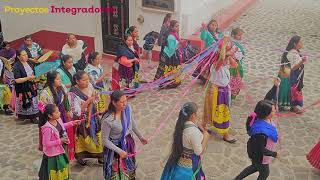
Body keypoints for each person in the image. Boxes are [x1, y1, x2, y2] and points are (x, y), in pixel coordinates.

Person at [102, 90, 147, 180]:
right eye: (122, 102)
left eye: (125, 101)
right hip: (114, 149)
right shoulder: (108, 120)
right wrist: (119, 151)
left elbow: (132, 123)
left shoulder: (127, 109)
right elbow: (105, 140)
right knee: (117, 171)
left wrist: (140, 137)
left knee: (129, 168)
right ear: (114, 103)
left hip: (127, 144)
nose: (125, 104)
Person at [201, 35, 238, 143]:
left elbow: (235, 65)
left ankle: (203, 125)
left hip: (224, 90)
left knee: (214, 109)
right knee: (220, 111)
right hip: (216, 91)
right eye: (227, 53)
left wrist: (229, 54)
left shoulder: (225, 63)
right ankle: (225, 134)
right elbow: (222, 58)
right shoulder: (216, 64)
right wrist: (225, 47)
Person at [161, 102, 209, 180]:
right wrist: (206, 137)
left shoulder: (180, 122)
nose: (201, 113)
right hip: (190, 163)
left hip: (179, 157)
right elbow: (198, 152)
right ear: (193, 115)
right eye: (199, 111)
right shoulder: (194, 132)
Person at [235, 100, 279, 180]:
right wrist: (274, 154)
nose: (275, 111)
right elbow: (261, 149)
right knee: (264, 174)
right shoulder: (260, 132)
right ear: (266, 113)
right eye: (273, 111)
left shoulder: (265, 119)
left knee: (254, 167)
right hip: (260, 157)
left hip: (258, 156)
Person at [68, 70, 103, 165]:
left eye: (88, 79)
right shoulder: (72, 93)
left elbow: (96, 99)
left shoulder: (90, 86)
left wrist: (95, 99)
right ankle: (81, 157)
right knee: (84, 139)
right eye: (84, 80)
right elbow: (77, 111)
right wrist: (88, 101)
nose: (87, 82)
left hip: (94, 117)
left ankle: (100, 156)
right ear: (77, 81)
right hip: (82, 120)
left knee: (97, 135)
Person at [38, 104, 81, 180]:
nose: (60, 113)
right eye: (57, 112)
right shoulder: (47, 128)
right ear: (50, 116)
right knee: (55, 170)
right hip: (53, 154)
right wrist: (60, 141)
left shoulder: (58, 120)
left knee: (63, 167)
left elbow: (61, 126)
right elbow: (46, 143)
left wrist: (72, 123)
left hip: (60, 149)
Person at [39, 71, 74, 159]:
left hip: (61, 114)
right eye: (57, 79)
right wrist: (50, 116)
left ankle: (64, 152)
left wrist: (68, 110)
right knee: (54, 135)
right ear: (52, 80)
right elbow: (41, 107)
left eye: (60, 79)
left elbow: (66, 99)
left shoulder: (62, 87)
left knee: (63, 131)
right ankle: (54, 153)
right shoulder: (45, 93)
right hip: (52, 116)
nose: (60, 81)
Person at [278, 35, 306, 113]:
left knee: (290, 89)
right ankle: (290, 106)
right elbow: (294, 67)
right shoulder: (291, 53)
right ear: (294, 43)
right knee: (288, 88)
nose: (302, 43)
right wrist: (302, 61)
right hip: (287, 73)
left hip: (288, 73)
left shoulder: (295, 52)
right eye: (300, 42)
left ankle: (291, 106)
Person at [154, 20, 185, 88]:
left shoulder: (174, 34)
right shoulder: (171, 36)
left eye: (178, 26)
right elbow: (171, 48)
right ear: (171, 27)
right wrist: (178, 43)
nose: (178, 28)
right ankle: (167, 82)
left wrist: (178, 42)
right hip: (169, 55)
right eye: (176, 26)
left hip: (172, 54)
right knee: (168, 69)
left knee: (173, 69)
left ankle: (172, 81)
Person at [193, 19, 223, 84]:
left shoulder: (219, 34)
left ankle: (212, 78)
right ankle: (205, 79)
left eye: (215, 25)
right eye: (212, 25)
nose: (214, 26)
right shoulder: (206, 32)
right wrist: (204, 29)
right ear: (209, 25)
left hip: (216, 53)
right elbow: (202, 38)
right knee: (206, 66)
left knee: (213, 66)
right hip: (208, 53)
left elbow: (221, 42)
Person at [13, 49, 39, 123]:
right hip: (22, 87)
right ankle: (24, 116)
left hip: (31, 85)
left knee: (33, 100)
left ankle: (33, 117)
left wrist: (34, 78)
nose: (26, 56)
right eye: (23, 55)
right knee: (25, 100)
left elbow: (34, 73)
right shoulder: (16, 66)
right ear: (18, 57)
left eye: (26, 54)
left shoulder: (30, 62)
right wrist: (28, 78)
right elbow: (17, 80)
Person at [230, 27, 245, 100]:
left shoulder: (237, 43)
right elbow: (237, 56)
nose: (241, 37)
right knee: (233, 79)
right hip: (233, 65)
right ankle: (230, 95)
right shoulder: (232, 44)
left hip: (238, 64)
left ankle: (232, 95)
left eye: (241, 35)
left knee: (236, 79)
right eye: (239, 35)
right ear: (233, 35)